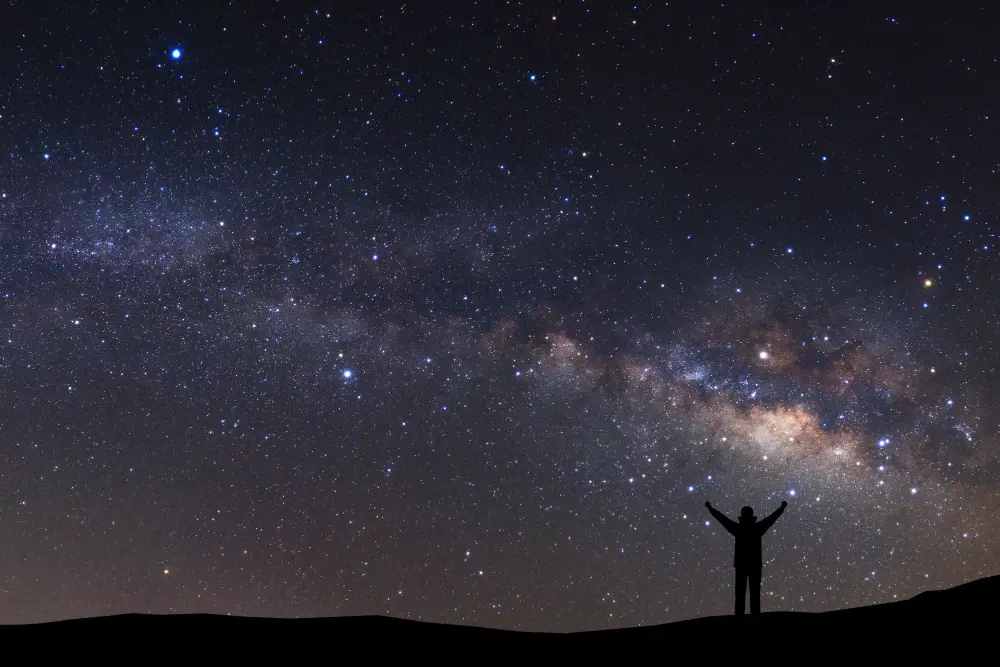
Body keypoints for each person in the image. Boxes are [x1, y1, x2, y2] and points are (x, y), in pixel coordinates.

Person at [705, 500, 787, 616]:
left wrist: (711, 509)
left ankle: (740, 616)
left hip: (742, 564)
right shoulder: (757, 528)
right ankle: (753, 615)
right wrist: (781, 509)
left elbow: (723, 519)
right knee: (753, 593)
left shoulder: (738, 529)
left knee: (741, 593)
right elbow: (771, 519)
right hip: (753, 564)